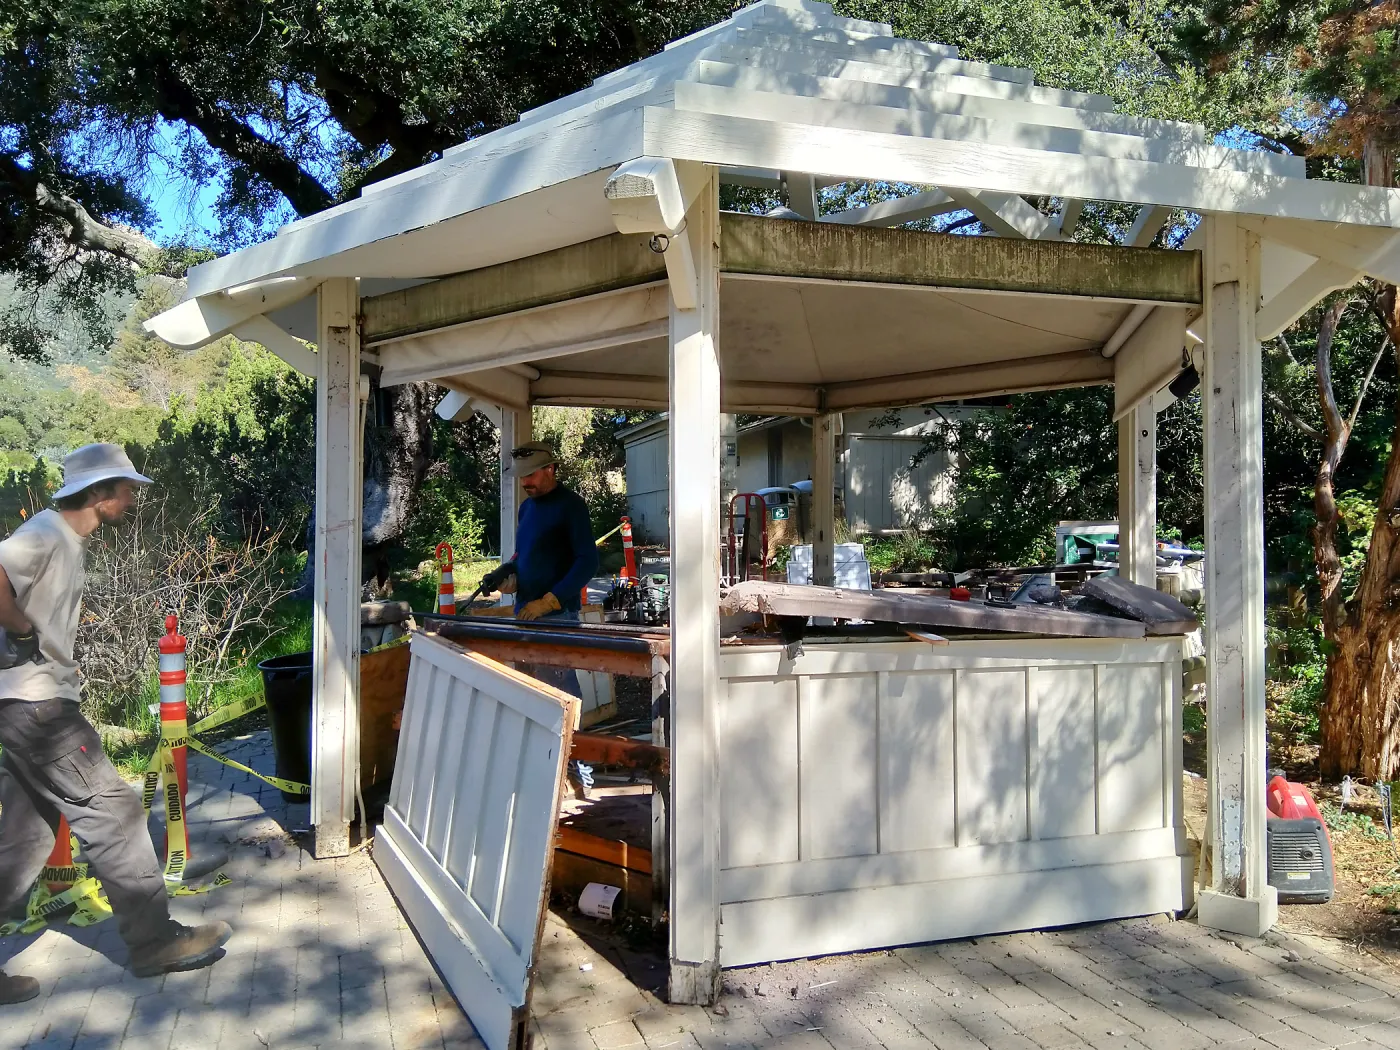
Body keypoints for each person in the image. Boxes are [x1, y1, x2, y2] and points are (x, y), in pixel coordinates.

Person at [0, 444, 232, 994]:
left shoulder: (64, 539)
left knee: (25, 839)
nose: (132, 497)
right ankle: (155, 943)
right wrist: (21, 630)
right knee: (114, 811)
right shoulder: (47, 533)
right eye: (126, 488)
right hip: (38, 708)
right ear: (99, 494)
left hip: (21, 706)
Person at [481, 442, 599, 794]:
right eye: (522, 478)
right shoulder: (526, 509)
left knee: (562, 693)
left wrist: (551, 601)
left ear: (550, 469)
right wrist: (504, 572)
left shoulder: (572, 507)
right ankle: (545, 767)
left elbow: (587, 562)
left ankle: (581, 769)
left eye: (531, 476)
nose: (525, 484)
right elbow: (523, 555)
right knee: (532, 692)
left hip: (557, 616)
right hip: (525, 613)